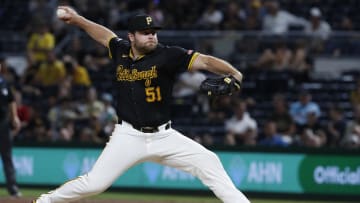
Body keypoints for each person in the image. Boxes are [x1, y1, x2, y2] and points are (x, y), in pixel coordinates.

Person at [33, 6, 250, 203]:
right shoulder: (120, 51)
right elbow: (104, 35)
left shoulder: (167, 55)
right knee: (95, 184)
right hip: (128, 136)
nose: (151, 36)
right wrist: (78, 19)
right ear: (132, 37)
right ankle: (44, 202)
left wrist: (234, 73)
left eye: (153, 32)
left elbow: (204, 60)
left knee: (209, 161)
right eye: (145, 33)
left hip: (165, 136)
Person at [0, 57, 22, 197]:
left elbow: (12, 101)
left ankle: (12, 188)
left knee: (7, 156)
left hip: (3, 123)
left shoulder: (4, 83)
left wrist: (14, 117)